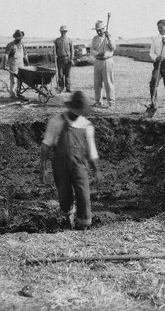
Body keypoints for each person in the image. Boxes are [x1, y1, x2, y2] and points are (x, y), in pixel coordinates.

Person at [39, 90, 101, 230]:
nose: (76, 113)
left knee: (84, 195)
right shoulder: (56, 121)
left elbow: (91, 150)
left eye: (79, 111)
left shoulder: (87, 126)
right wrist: (43, 168)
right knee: (65, 198)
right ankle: (69, 218)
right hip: (60, 167)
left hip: (79, 166)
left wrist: (96, 170)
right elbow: (46, 144)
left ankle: (83, 226)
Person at [90, 20, 116, 107]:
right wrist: (98, 54)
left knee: (108, 82)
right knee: (97, 83)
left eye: (100, 30)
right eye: (97, 30)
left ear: (104, 29)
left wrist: (108, 38)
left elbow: (113, 48)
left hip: (107, 61)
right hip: (98, 61)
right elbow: (92, 50)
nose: (98, 32)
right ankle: (98, 101)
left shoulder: (110, 37)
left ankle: (111, 101)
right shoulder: (95, 38)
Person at [1, 29, 29, 98]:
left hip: (21, 64)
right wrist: (5, 64)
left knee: (20, 79)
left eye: (20, 37)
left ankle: (18, 92)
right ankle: (12, 94)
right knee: (13, 80)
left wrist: (27, 62)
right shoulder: (10, 45)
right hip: (13, 63)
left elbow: (25, 54)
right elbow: (6, 55)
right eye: (18, 38)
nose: (20, 39)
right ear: (15, 37)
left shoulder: (22, 45)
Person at [53, 25, 74, 93]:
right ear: (60, 32)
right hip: (60, 59)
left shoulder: (69, 40)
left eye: (64, 31)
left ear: (66, 32)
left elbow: (72, 50)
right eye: (62, 31)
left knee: (68, 74)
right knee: (60, 75)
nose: (63, 33)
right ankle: (61, 87)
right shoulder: (57, 40)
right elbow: (54, 50)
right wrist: (54, 56)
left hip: (67, 59)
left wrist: (71, 59)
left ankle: (68, 88)